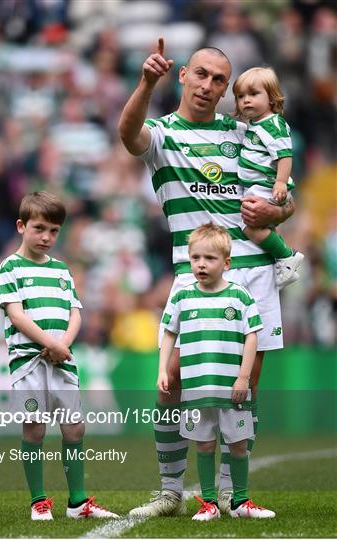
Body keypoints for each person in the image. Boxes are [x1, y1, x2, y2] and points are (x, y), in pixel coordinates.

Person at [119, 39, 295, 517]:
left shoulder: (242, 132)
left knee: (243, 389)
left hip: (251, 275)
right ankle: (171, 490)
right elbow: (127, 133)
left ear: (225, 90)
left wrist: (274, 210)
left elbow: (285, 200)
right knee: (171, 382)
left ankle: (227, 495)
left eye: (219, 80)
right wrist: (145, 81)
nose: (209, 85)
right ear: (183, 76)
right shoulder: (162, 133)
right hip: (191, 273)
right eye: (201, 74)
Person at [0, 191, 119, 521]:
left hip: (62, 359)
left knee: (74, 427)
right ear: (21, 226)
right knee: (34, 428)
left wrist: (63, 344)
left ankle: (78, 502)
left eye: (54, 230)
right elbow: (17, 315)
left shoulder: (62, 270)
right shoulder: (9, 267)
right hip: (30, 362)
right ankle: (39, 501)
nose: (47, 237)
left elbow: (75, 312)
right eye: (39, 228)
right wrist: (50, 345)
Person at [158, 223, 275, 520]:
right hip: (198, 389)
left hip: (231, 387)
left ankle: (240, 501)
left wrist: (243, 377)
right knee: (205, 444)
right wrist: (163, 370)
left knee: (236, 444)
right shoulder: (182, 297)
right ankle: (208, 503)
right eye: (195, 258)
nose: (200, 264)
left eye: (209, 258)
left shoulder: (240, 296)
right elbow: (170, 333)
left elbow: (252, 336)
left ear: (226, 263)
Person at [233, 66, 304, 288]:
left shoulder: (274, 125)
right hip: (258, 185)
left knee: (248, 226)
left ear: (272, 99)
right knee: (264, 228)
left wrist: (280, 182)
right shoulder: (256, 124)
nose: (246, 100)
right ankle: (281, 261)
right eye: (241, 96)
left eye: (253, 94)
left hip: (266, 185)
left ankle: (287, 256)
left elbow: (284, 155)